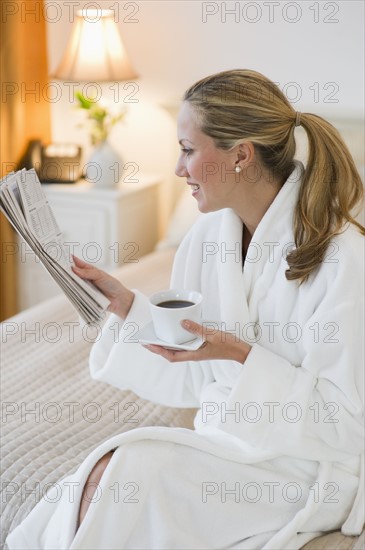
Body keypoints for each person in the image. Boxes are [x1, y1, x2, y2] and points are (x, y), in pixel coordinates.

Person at [7, 69, 364, 550]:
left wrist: (241, 356)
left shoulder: (340, 255)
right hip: (226, 443)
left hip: (302, 466)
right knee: (101, 474)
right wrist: (128, 307)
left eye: (188, 150)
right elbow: (192, 375)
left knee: (129, 470)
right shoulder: (206, 239)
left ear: (241, 154)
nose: (178, 169)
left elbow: (345, 426)